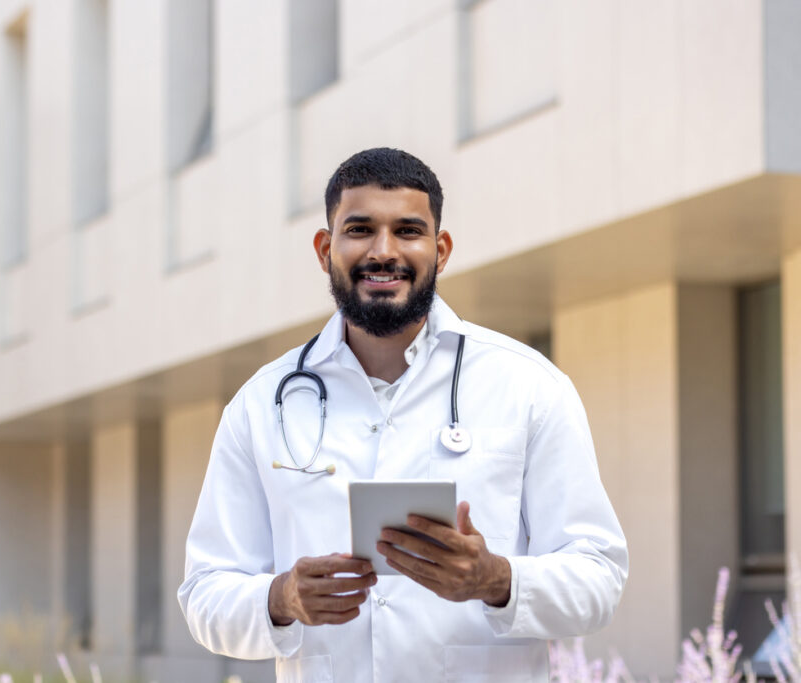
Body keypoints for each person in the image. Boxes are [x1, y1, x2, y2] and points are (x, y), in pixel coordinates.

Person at [178, 148, 628, 682]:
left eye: (408, 230)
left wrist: (497, 580)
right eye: (360, 229)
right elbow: (205, 593)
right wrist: (282, 598)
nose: (384, 251)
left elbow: (598, 578)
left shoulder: (530, 386)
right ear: (325, 249)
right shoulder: (260, 405)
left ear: (440, 250)